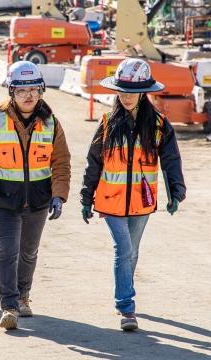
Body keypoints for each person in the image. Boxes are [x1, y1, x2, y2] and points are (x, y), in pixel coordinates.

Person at [0, 61, 71, 330]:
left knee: (28, 252)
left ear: (41, 90)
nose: (29, 95)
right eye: (22, 89)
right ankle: (9, 307)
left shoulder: (50, 123)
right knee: (7, 251)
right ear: (11, 91)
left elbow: (61, 162)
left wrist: (59, 195)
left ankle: (23, 296)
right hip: (1, 200)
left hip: (37, 200)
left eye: (34, 89)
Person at [80, 58, 186, 331]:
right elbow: (94, 163)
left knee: (132, 252)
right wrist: (86, 197)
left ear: (144, 92)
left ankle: (124, 291)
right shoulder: (106, 124)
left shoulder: (160, 125)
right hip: (110, 201)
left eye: (132, 92)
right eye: (122, 92)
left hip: (142, 201)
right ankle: (127, 307)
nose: (126, 98)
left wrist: (176, 192)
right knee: (123, 250)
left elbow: (171, 160)